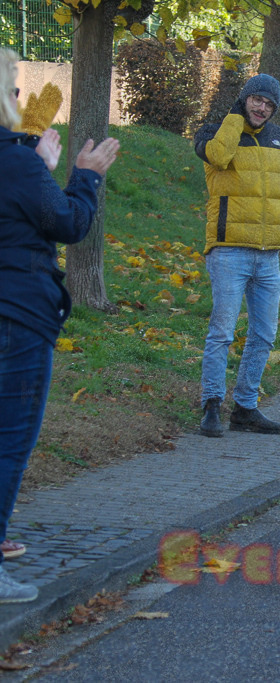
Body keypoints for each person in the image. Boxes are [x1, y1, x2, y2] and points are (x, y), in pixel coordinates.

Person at [0, 48, 120, 602]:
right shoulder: (15, 161)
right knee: (8, 442)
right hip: (17, 316)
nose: (23, 97)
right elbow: (68, 223)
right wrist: (86, 178)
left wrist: (35, 161)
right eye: (15, 88)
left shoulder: (19, 160)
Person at [194, 74, 280, 438]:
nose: (262, 108)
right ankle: (211, 406)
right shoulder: (212, 132)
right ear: (244, 99)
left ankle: (245, 407)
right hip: (228, 250)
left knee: (264, 334)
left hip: (268, 255)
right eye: (256, 100)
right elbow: (220, 157)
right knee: (222, 332)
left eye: (269, 104)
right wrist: (235, 118)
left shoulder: (279, 137)